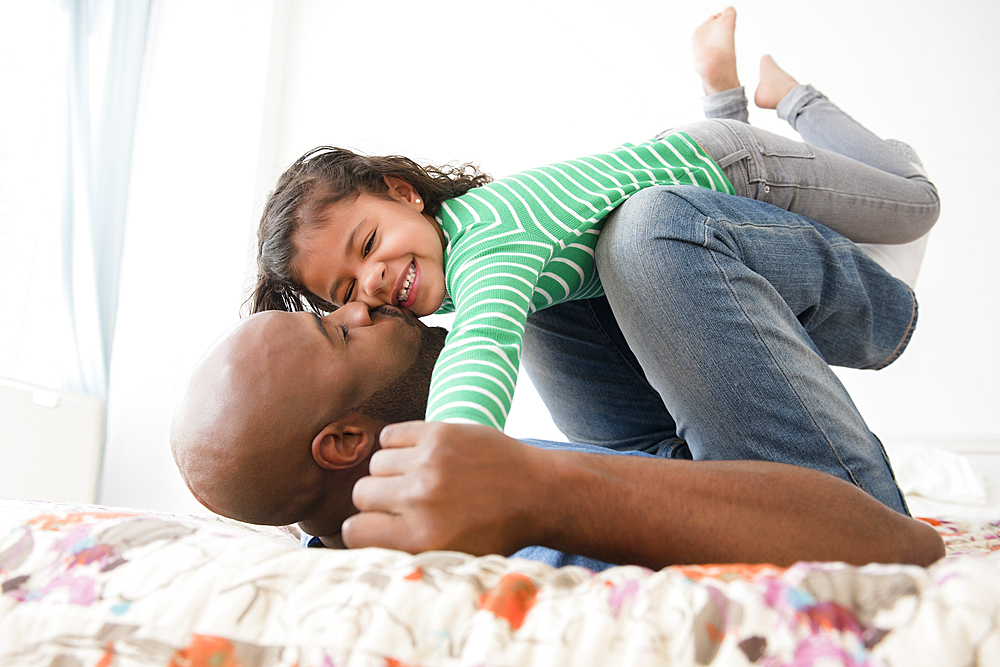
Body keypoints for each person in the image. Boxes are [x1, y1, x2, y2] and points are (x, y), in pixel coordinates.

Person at [249, 7, 939, 436]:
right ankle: (719, 89)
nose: (371, 282)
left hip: (731, 166)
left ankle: (786, 96)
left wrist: (450, 449)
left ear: (404, 194)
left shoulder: (486, 248)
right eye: (345, 291)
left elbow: (481, 344)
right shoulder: (453, 255)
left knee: (915, 204)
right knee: (700, 225)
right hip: (682, 174)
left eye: (367, 245)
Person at [169, 302, 945, 570]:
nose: (358, 307)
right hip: (821, 501)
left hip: (654, 458)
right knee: (649, 234)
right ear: (342, 441)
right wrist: (544, 490)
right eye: (336, 332)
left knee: (546, 275)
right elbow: (903, 547)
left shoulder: (340, 530)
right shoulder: (509, 525)